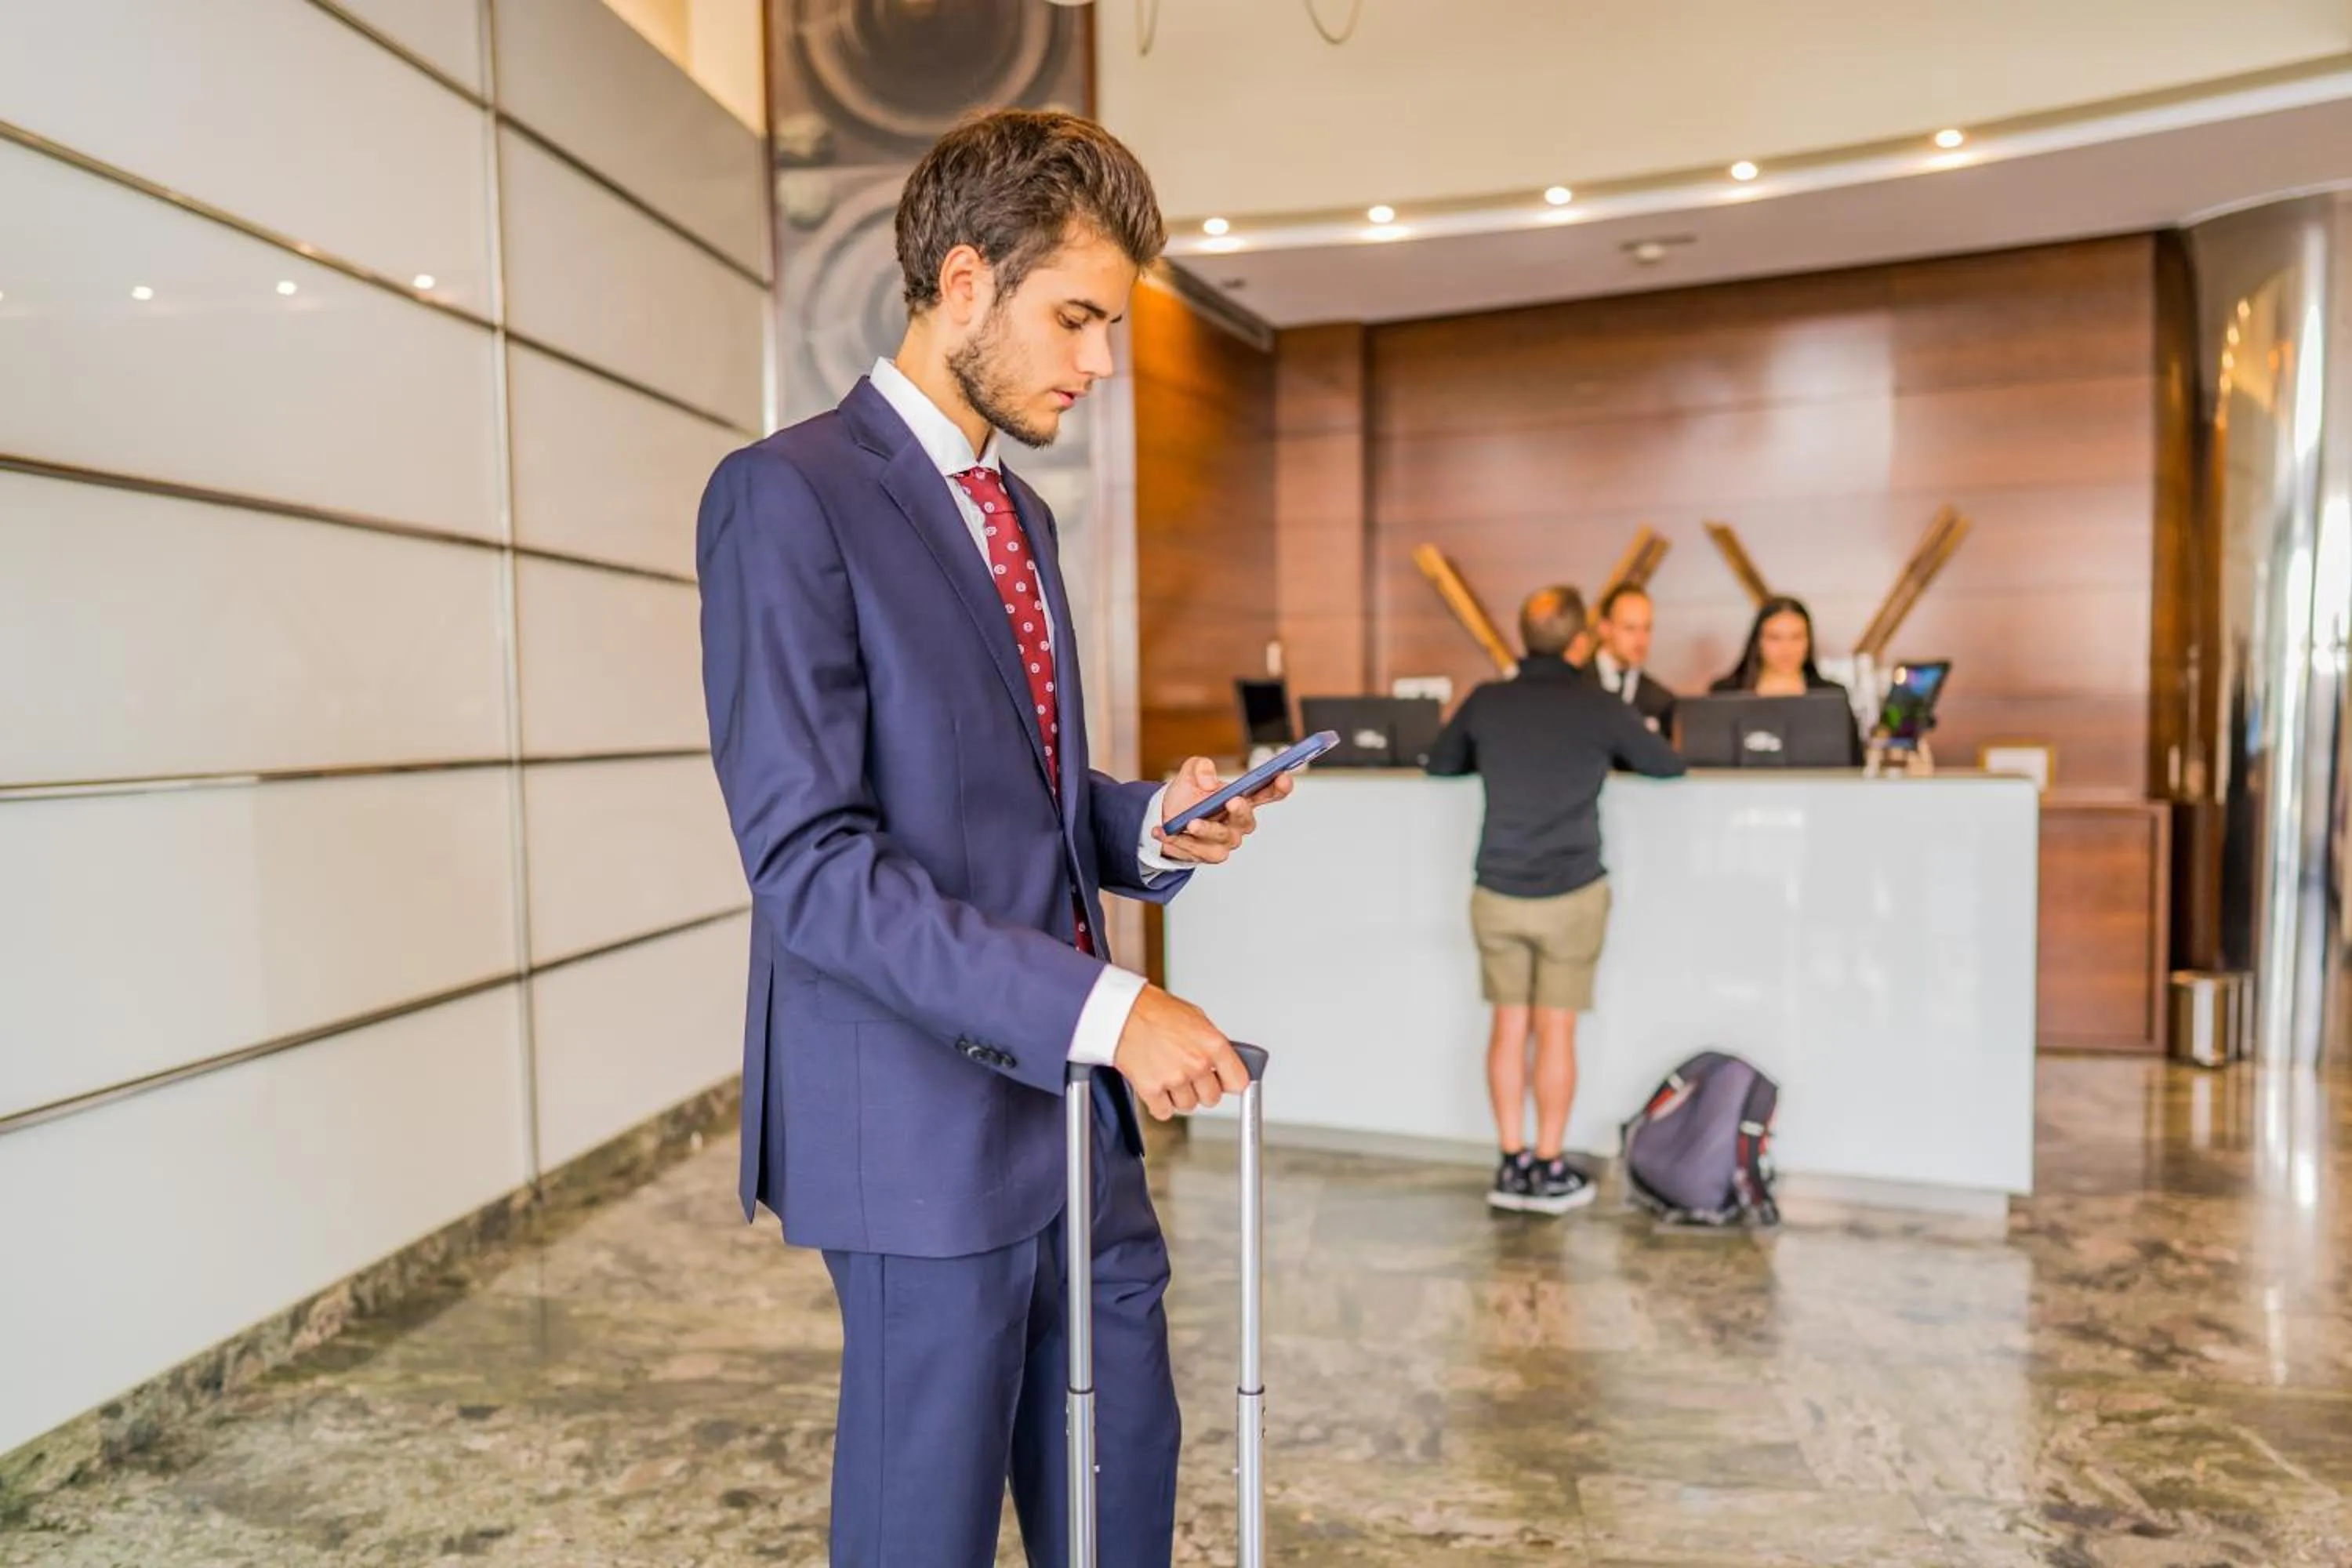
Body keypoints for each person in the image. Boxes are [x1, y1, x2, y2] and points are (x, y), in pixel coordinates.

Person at [695, 109, 1291, 1567]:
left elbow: (1000, 792)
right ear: (964, 283)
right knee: (927, 1531)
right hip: (915, 1125)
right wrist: (1116, 1006)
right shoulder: (785, 498)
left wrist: (1141, 823)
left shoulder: (1011, 509)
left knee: (1116, 1490)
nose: (1099, 362)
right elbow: (815, 870)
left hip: (1072, 1119)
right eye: (1076, 317)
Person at [1425, 585, 1686, 1214]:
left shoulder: (1489, 701)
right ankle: (1548, 1166)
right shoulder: (1598, 704)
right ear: (1580, 641)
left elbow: (1439, 763)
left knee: (1508, 1026)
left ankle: (1510, 1165)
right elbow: (1666, 766)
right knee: (1556, 1032)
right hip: (1572, 894)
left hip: (1497, 891)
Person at [1709, 593, 1863, 763]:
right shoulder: (1725, 694)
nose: (1786, 648)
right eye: (1775, 638)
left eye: (1796, 637)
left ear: (1808, 641)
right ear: (1758, 641)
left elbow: (1854, 763)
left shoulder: (1833, 696)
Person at [1585, 583, 1676, 735]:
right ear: (1604, 628)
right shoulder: (1572, 687)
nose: (1641, 640)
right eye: (1630, 628)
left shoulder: (1662, 701)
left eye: (1647, 628)